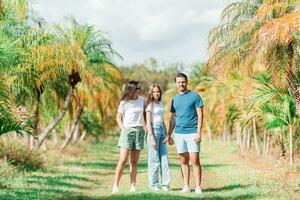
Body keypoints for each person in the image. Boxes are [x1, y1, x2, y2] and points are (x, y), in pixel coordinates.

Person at [167, 73, 204, 194]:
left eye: (183, 82)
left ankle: (198, 186)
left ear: (187, 82)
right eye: (178, 82)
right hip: (179, 134)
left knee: (195, 160)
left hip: (192, 132)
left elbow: (200, 115)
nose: (181, 84)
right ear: (176, 83)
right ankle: (186, 186)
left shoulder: (195, 96)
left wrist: (198, 133)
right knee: (183, 160)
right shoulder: (174, 99)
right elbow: (173, 118)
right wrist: (169, 134)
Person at [112, 80, 145, 193]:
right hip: (127, 131)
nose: (139, 90)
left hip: (139, 130)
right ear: (131, 89)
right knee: (122, 160)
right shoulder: (124, 102)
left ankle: (133, 186)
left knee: (134, 161)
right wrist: (123, 129)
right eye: (137, 88)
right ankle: (115, 186)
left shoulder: (141, 100)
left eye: (139, 88)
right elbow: (118, 118)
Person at [145, 84, 171, 191]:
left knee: (164, 159)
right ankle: (154, 185)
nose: (156, 93)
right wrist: (151, 137)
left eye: (158, 91)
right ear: (151, 93)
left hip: (161, 131)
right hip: (153, 131)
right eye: (154, 92)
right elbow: (148, 122)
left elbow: (162, 120)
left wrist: (167, 135)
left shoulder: (160, 104)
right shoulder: (149, 105)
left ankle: (165, 184)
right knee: (154, 159)